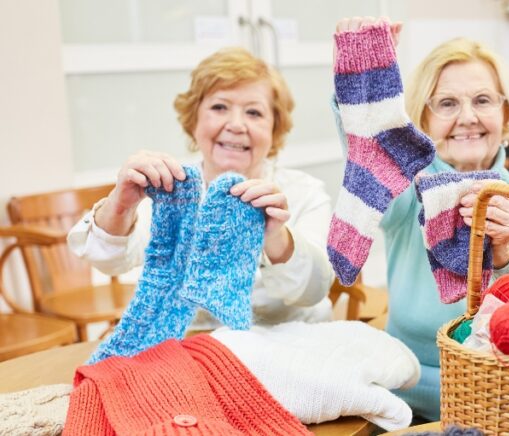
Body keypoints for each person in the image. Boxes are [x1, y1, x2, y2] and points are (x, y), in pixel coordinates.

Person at [330, 17, 509, 421]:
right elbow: (368, 158)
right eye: (448, 103)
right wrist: (357, 77)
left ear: (506, 116)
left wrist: (505, 250)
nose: (468, 117)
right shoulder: (407, 182)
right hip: (404, 392)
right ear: (424, 118)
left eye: (484, 100)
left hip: (501, 396)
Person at [68, 47, 335, 332]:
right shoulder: (173, 189)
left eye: (254, 112)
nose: (235, 125)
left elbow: (313, 290)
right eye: (219, 107)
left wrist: (276, 236)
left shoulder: (305, 193)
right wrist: (120, 205)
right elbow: (109, 261)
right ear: (194, 120)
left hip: (290, 342)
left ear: (274, 129)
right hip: (192, 346)